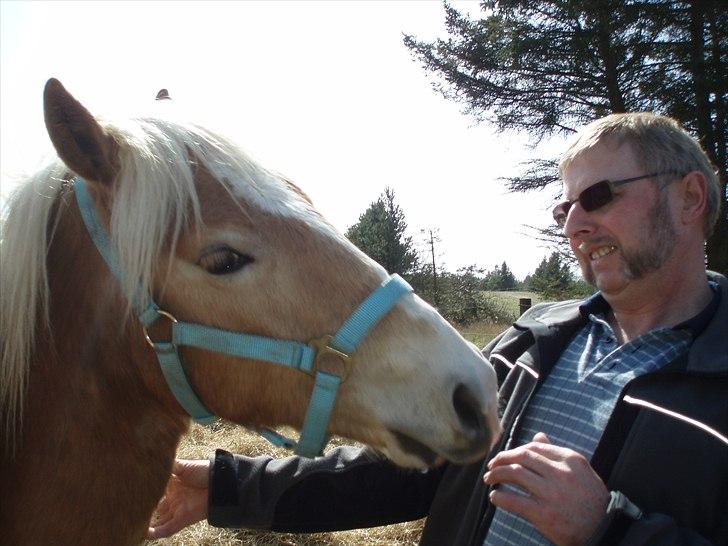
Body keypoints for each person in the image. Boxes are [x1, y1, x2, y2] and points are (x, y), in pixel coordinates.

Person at [148, 113, 727, 546]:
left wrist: (608, 528)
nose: (575, 223)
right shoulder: (534, 343)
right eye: (564, 207)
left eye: (599, 196)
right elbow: (418, 472)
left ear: (690, 198)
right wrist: (225, 488)